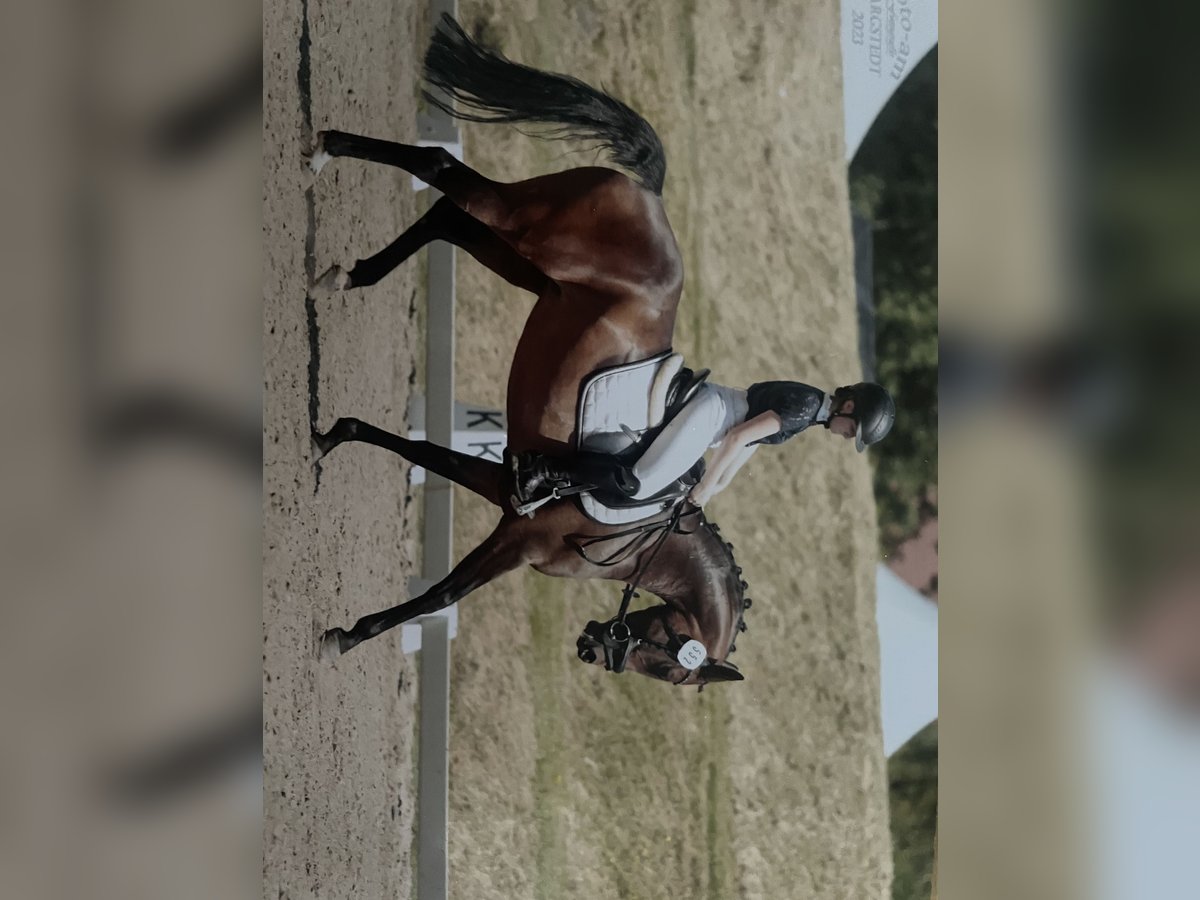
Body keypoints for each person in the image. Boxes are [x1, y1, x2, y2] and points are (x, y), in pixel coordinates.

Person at [514, 379, 896, 508]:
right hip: (713, 415)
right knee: (639, 484)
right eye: (852, 430)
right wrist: (705, 487)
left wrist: (718, 486)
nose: (847, 437)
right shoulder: (806, 407)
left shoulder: (810, 412)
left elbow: (749, 446)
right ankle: (544, 469)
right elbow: (738, 436)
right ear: (849, 406)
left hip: (717, 419)